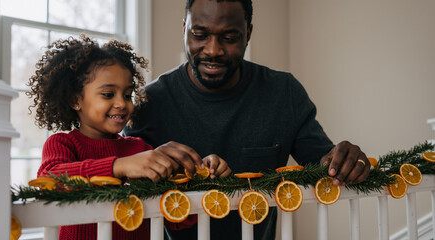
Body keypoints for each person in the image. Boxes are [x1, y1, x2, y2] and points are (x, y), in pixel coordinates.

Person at [123, 0, 370, 239]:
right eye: (199, 35)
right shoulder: (148, 102)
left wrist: (345, 159)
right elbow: (117, 184)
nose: (213, 50)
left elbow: (325, 164)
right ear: (184, 28)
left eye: (229, 38)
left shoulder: (284, 93)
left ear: (248, 34)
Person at [27, 35, 231, 240]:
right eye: (108, 94)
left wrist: (202, 177)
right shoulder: (63, 144)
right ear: (75, 99)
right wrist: (120, 166)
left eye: (127, 95)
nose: (122, 104)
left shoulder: (141, 150)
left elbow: (175, 217)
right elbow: (49, 180)